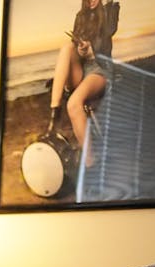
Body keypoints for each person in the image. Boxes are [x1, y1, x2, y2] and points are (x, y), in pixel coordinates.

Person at [44, 0, 121, 153]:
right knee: (67, 47)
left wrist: (91, 47)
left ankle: (90, 163)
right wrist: (81, 49)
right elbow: (75, 50)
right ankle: (55, 116)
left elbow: (110, 31)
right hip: (82, 68)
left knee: (73, 104)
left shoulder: (109, 11)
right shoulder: (80, 16)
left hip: (99, 69)